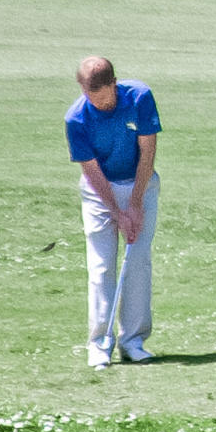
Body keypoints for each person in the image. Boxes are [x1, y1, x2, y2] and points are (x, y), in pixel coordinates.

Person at [65, 55, 161, 367]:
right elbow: (91, 171)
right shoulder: (76, 119)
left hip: (140, 182)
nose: (100, 103)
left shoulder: (139, 98)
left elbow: (148, 152)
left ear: (114, 84)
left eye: (104, 95)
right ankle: (99, 345)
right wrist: (117, 212)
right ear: (82, 89)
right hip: (99, 192)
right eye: (91, 96)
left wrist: (134, 205)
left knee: (137, 261)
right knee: (101, 265)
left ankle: (133, 342)